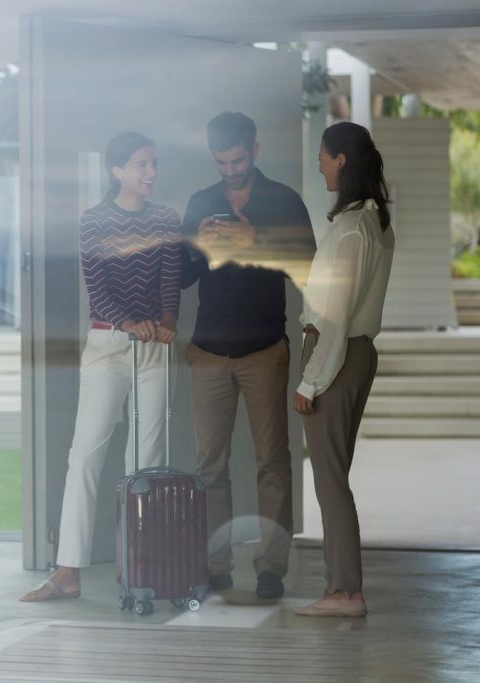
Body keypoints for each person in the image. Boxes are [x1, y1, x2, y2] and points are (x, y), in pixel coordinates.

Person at [21, 131, 182, 602]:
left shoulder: (167, 219)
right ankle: (68, 571)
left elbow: (170, 283)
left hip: (154, 346)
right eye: (141, 165)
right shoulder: (93, 221)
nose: (151, 173)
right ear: (116, 170)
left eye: (153, 164)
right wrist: (130, 322)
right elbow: (99, 289)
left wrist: (166, 322)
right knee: (85, 457)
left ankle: (140, 569)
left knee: (145, 462)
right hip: (108, 344)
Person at [181, 112, 315, 600]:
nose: (231, 170)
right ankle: (215, 564)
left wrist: (255, 242)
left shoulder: (283, 200)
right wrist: (198, 244)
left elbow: (307, 267)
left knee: (272, 461)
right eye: (222, 162)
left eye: (238, 160)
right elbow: (180, 277)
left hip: (264, 349)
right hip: (209, 352)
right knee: (209, 468)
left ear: (254, 151)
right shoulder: (201, 202)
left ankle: (271, 568)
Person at [292, 121, 395, 618]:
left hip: (337, 355)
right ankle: (341, 588)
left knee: (330, 480)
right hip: (353, 353)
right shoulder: (367, 221)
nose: (318, 164)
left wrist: (310, 380)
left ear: (341, 162)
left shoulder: (354, 227)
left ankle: (346, 592)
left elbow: (334, 314)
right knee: (334, 476)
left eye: (323, 156)